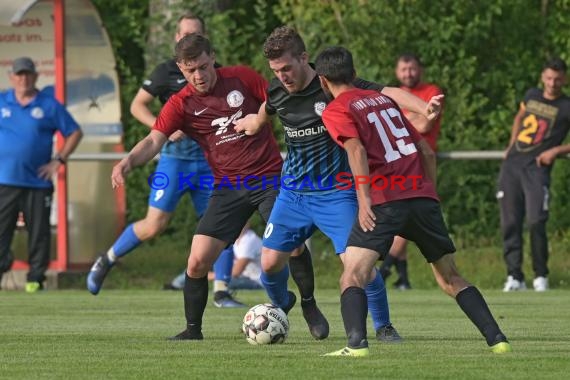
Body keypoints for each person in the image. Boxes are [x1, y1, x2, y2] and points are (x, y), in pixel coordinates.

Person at [110, 34, 324, 340]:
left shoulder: (241, 78)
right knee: (197, 261)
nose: (198, 75)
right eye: (190, 70)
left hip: (268, 178)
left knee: (292, 245)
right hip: (228, 188)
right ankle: (193, 330)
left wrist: (262, 119)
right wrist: (127, 162)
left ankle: (309, 305)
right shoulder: (180, 104)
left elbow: (276, 98)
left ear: (213, 58)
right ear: (181, 70)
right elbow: (153, 140)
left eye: (202, 66)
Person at [235, 26, 438, 342]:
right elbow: (267, 108)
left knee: (360, 265)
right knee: (270, 261)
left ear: (304, 58)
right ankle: (291, 303)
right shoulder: (276, 90)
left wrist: (422, 108)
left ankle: (383, 325)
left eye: (287, 68)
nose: (283, 76)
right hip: (293, 194)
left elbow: (386, 92)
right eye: (276, 71)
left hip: (336, 193)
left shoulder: (330, 84)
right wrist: (254, 122)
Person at [315, 46, 511, 356]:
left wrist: (364, 200)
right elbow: (427, 152)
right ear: (354, 73)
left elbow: (357, 151)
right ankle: (497, 339)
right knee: (450, 278)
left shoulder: (336, 109)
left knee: (353, 274)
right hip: (422, 197)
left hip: (384, 200)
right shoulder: (385, 102)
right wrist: (430, 192)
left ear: (323, 81)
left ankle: (356, 345)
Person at [85, 13, 241, 307]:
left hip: (210, 163)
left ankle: (222, 290)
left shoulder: (216, 74)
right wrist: (163, 128)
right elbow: (136, 106)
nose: (188, 41)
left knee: (223, 223)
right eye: (184, 35)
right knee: (154, 224)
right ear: (176, 39)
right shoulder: (165, 72)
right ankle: (106, 260)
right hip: (174, 161)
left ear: (205, 41)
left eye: (194, 35)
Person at [0, 57, 83, 292]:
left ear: (35, 77)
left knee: (38, 232)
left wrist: (58, 160)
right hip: (5, 181)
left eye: (27, 74)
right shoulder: (2, 101)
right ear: (12, 77)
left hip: (37, 181)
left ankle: (35, 279)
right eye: (19, 74)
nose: (23, 78)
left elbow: (74, 132)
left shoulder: (49, 105)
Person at [499, 57, 570, 292]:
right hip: (513, 165)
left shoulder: (566, 106)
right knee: (510, 222)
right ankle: (514, 276)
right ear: (542, 77)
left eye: (558, 79)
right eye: (549, 78)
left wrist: (557, 150)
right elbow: (520, 117)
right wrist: (511, 144)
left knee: (536, 220)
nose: (552, 83)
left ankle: (541, 275)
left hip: (536, 169)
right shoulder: (531, 95)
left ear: (565, 79)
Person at [379, 53, 445, 290]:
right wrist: (412, 116)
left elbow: (426, 123)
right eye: (404, 69)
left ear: (420, 70)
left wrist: (401, 119)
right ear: (397, 72)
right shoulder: (393, 92)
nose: (408, 73)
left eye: (412, 69)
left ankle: (383, 271)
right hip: (398, 162)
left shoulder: (431, 91)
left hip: (420, 162)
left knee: (407, 216)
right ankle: (403, 279)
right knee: (402, 217)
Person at [205, 223, 263, 290]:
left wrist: (210, 276)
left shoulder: (250, 240)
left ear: (248, 224)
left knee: (225, 282)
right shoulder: (235, 240)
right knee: (222, 281)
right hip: (245, 277)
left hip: (256, 280)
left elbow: (236, 272)